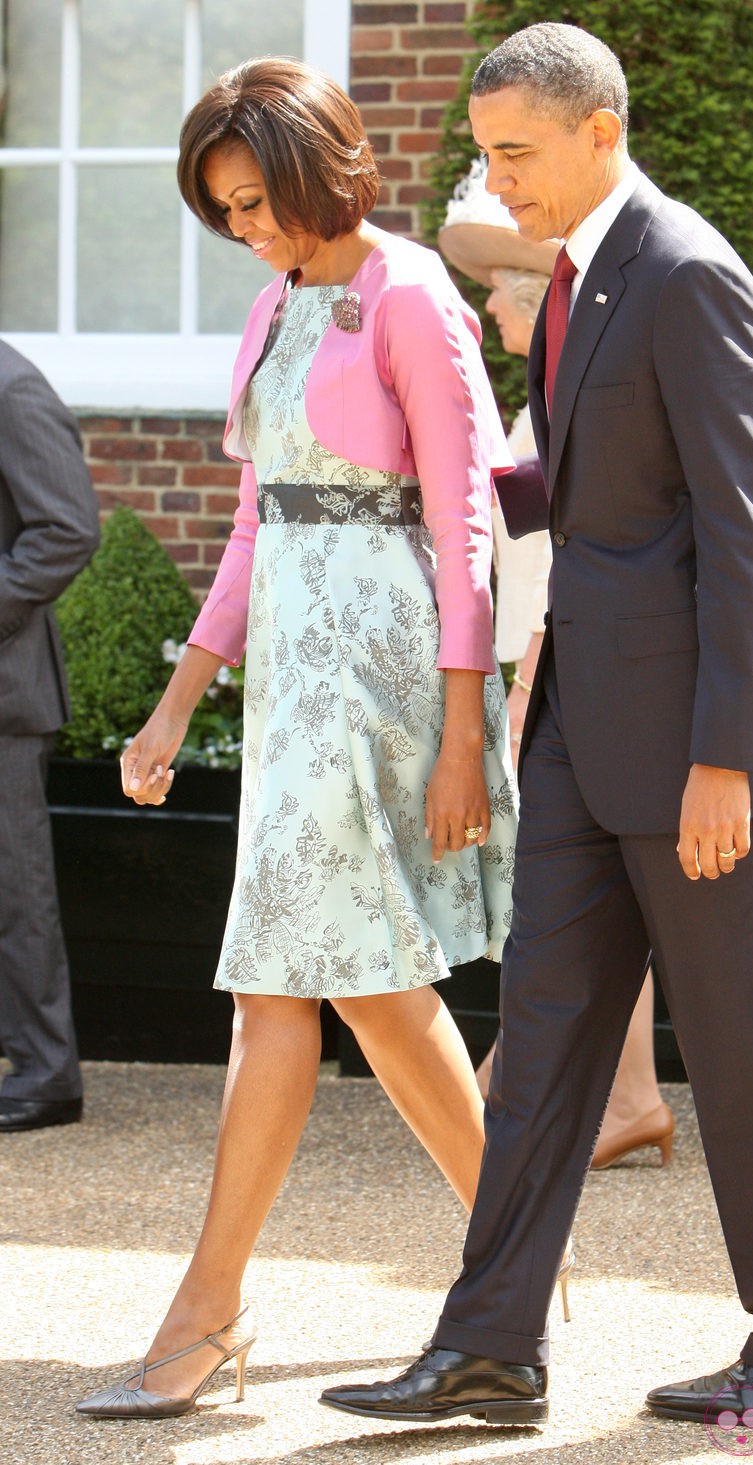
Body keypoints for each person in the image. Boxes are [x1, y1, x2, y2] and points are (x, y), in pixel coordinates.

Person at [320, 22, 753, 1431]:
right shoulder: (568, 287)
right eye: (486, 149)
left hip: (702, 747)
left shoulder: (685, 273)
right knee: (549, 1036)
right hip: (579, 727)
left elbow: (748, 534)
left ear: (600, 132)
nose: (494, 177)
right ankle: (492, 1345)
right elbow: (588, 500)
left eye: (515, 152)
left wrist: (720, 757)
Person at [76, 56, 519, 1420]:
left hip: (385, 681)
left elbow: (466, 528)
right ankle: (513, 1261)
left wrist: (462, 733)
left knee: (306, 985)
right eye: (225, 211)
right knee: (366, 995)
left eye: (257, 199)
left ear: (319, 166)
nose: (247, 230)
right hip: (290, 693)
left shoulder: (412, 294)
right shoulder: (275, 306)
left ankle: (209, 1313)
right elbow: (258, 529)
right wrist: (170, 704)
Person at [439, 174, 673, 1169]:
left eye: (501, 284)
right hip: (548, 653)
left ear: (539, 297)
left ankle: (612, 1091)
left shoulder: (565, 395)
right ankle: (607, 1089)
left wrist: (534, 671)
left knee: (590, 877)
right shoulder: (542, 395)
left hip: (559, 660)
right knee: (597, 882)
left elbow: (555, 550)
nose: (487, 299)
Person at [0, 342, 99, 1134]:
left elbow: (65, 530)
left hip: (4, 697)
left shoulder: (12, 385)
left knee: (13, 893)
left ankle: (44, 1073)